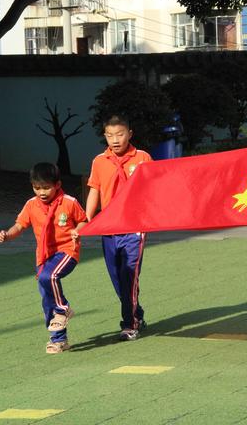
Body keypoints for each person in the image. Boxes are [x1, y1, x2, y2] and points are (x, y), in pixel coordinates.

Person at [0, 163, 87, 354]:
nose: (42, 192)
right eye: (37, 188)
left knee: (49, 277)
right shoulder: (31, 205)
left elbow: (83, 220)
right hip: (44, 256)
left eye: (46, 187)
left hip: (67, 251)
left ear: (57, 184)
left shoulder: (69, 202)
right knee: (46, 298)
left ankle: (63, 309)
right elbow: (20, 226)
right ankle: (59, 340)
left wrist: (77, 231)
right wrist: (7, 234)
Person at [86, 115, 152, 341]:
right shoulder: (99, 161)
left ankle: (130, 324)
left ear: (130, 133)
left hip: (135, 225)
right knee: (117, 276)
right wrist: (87, 219)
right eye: (110, 135)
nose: (115, 139)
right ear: (104, 136)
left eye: (120, 134)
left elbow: (156, 188)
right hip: (109, 227)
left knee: (130, 275)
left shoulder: (142, 158)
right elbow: (94, 189)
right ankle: (137, 313)